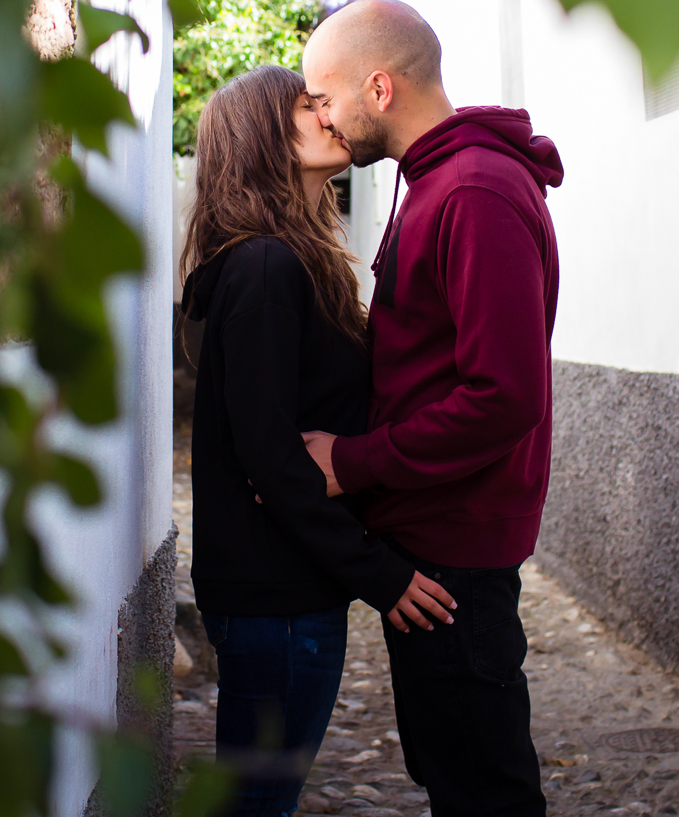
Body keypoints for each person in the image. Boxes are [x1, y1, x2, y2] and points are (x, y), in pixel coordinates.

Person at [297, 0, 564, 817]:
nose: (325, 120)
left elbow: (503, 394)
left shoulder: (474, 190)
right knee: (456, 779)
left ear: (378, 87)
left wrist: (352, 461)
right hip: (432, 539)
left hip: (458, 557)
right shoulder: (436, 182)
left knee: (486, 793)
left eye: (326, 98)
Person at [180, 64, 457, 817]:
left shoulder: (286, 261)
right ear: (264, 136)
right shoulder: (264, 266)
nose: (330, 116)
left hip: (285, 593)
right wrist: (384, 576)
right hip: (278, 599)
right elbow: (271, 456)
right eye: (308, 107)